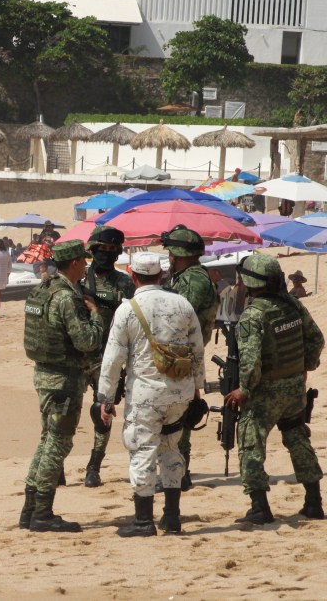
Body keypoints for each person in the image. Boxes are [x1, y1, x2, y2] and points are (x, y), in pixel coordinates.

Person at [96, 252, 205, 536]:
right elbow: (197, 351)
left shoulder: (128, 309)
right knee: (171, 450)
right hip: (179, 394)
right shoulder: (183, 304)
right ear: (161, 275)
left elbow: (113, 359)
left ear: (133, 275)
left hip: (146, 394)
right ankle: (172, 516)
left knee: (142, 452)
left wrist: (104, 398)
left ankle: (143, 521)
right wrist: (198, 390)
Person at [223, 254, 325, 525]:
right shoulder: (293, 305)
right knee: (298, 440)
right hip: (294, 388)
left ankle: (259, 507)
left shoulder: (253, 315)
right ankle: (314, 502)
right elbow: (316, 339)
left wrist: (243, 390)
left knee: (251, 444)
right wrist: (305, 366)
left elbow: (251, 360)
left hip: (264, 394)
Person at [19, 240, 103, 533]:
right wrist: (96, 315)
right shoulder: (66, 297)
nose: (86, 264)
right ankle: (42, 512)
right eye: (83, 260)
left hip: (44, 375)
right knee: (58, 444)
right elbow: (87, 341)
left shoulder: (42, 289)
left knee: (47, 442)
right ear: (75, 263)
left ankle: (30, 510)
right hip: (64, 381)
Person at [162, 225, 218, 491]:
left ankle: (180, 473)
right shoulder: (184, 276)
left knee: (179, 416)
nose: (169, 258)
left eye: (171, 253)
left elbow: (180, 314)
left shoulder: (194, 279)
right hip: (175, 353)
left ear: (179, 254)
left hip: (182, 355)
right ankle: (177, 471)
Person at [80, 226, 136, 488]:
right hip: (78, 355)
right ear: (93, 251)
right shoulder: (79, 278)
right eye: (103, 250)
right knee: (64, 413)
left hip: (108, 357)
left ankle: (94, 466)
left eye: (113, 251)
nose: (108, 255)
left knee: (102, 411)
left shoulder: (124, 282)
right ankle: (56, 465)